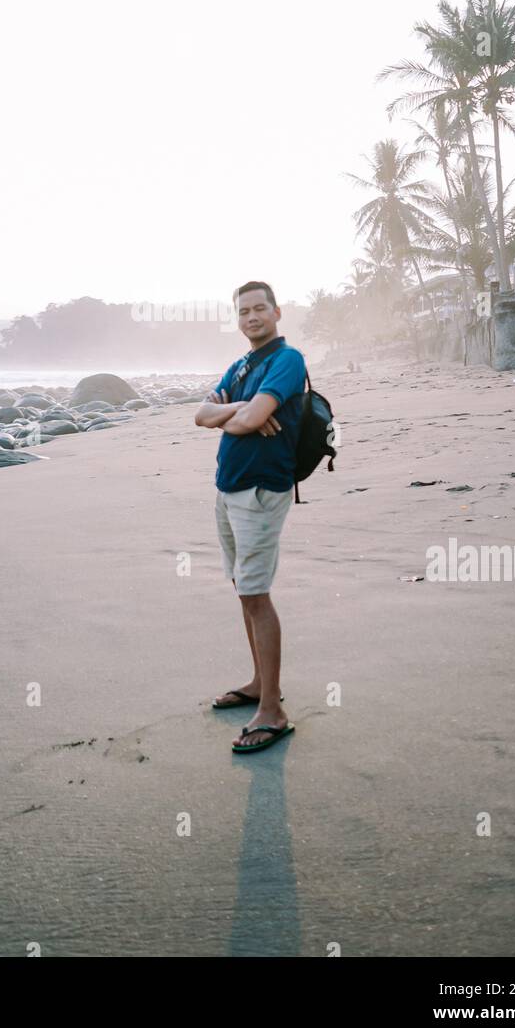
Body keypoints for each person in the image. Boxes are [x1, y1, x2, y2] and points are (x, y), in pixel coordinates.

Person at [194, 281, 305, 753]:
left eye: (260, 308)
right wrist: (239, 410)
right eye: (244, 311)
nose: (252, 317)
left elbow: (249, 419)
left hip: (261, 489)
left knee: (256, 594)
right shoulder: (240, 365)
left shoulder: (287, 360)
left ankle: (273, 710)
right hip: (228, 487)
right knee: (244, 589)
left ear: (277, 312)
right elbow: (201, 415)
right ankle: (261, 683)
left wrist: (236, 414)